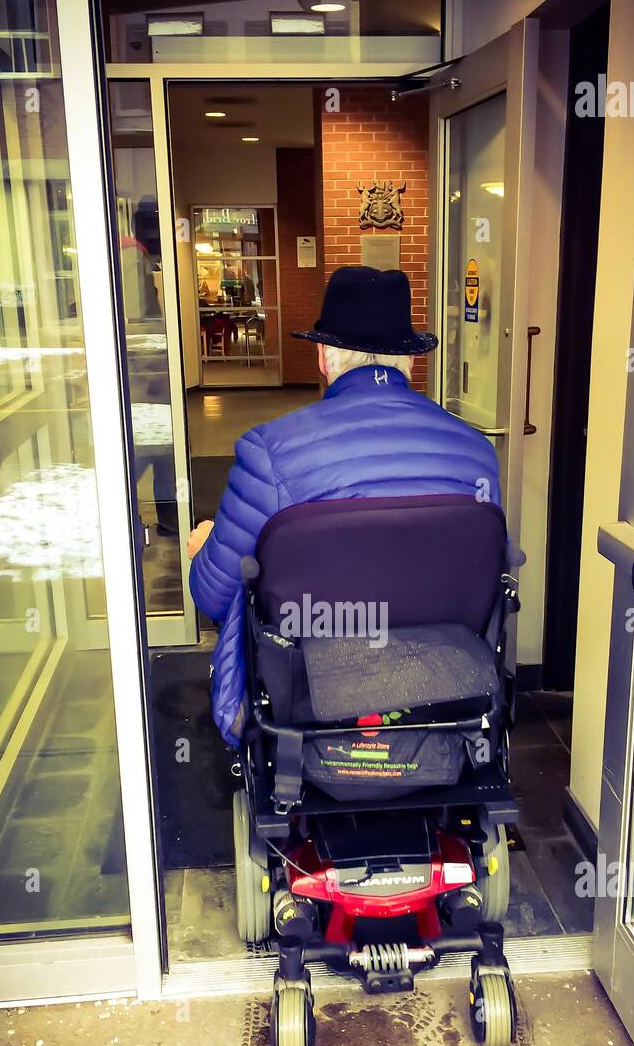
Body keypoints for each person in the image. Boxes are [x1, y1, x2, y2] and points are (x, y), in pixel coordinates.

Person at [187, 265, 503, 744]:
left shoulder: (270, 451)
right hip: (442, 689)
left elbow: (213, 595)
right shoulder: (477, 451)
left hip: (308, 696)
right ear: (411, 362)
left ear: (323, 357)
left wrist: (203, 547)